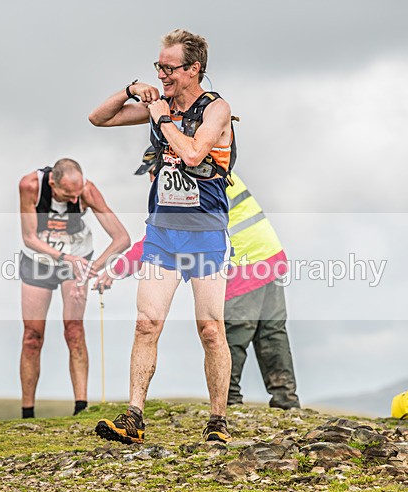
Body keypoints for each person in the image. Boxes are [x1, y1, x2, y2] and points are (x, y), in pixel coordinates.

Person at [88, 29, 236, 444]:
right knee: (146, 323)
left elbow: (192, 154)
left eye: (170, 68)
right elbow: (99, 118)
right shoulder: (160, 105)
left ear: (194, 69)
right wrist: (132, 90)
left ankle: (217, 421)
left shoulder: (216, 109)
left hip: (206, 233)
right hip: (162, 234)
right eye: (159, 67)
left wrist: (162, 118)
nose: (164, 75)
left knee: (210, 330)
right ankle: (133, 417)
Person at [97, 164, 300, 411]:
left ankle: (230, 402)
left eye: (152, 173)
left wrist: (117, 269)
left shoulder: (187, 182)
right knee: (271, 332)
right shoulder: (218, 168)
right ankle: (286, 400)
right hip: (269, 255)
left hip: (243, 261)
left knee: (229, 333)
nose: (151, 181)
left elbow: (163, 238)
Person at [18, 158, 129, 418]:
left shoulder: (86, 192)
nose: (74, 200)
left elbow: (122, 238)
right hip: (39, 260)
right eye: (68, 195)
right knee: (32, 337)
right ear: (53, 184)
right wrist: (63, 259)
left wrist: (93, 268)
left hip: (78, 258)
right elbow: (29, 237)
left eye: (77, 195)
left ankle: (81, 407)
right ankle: (27, 413)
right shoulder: (30, 186)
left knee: (74, 329)